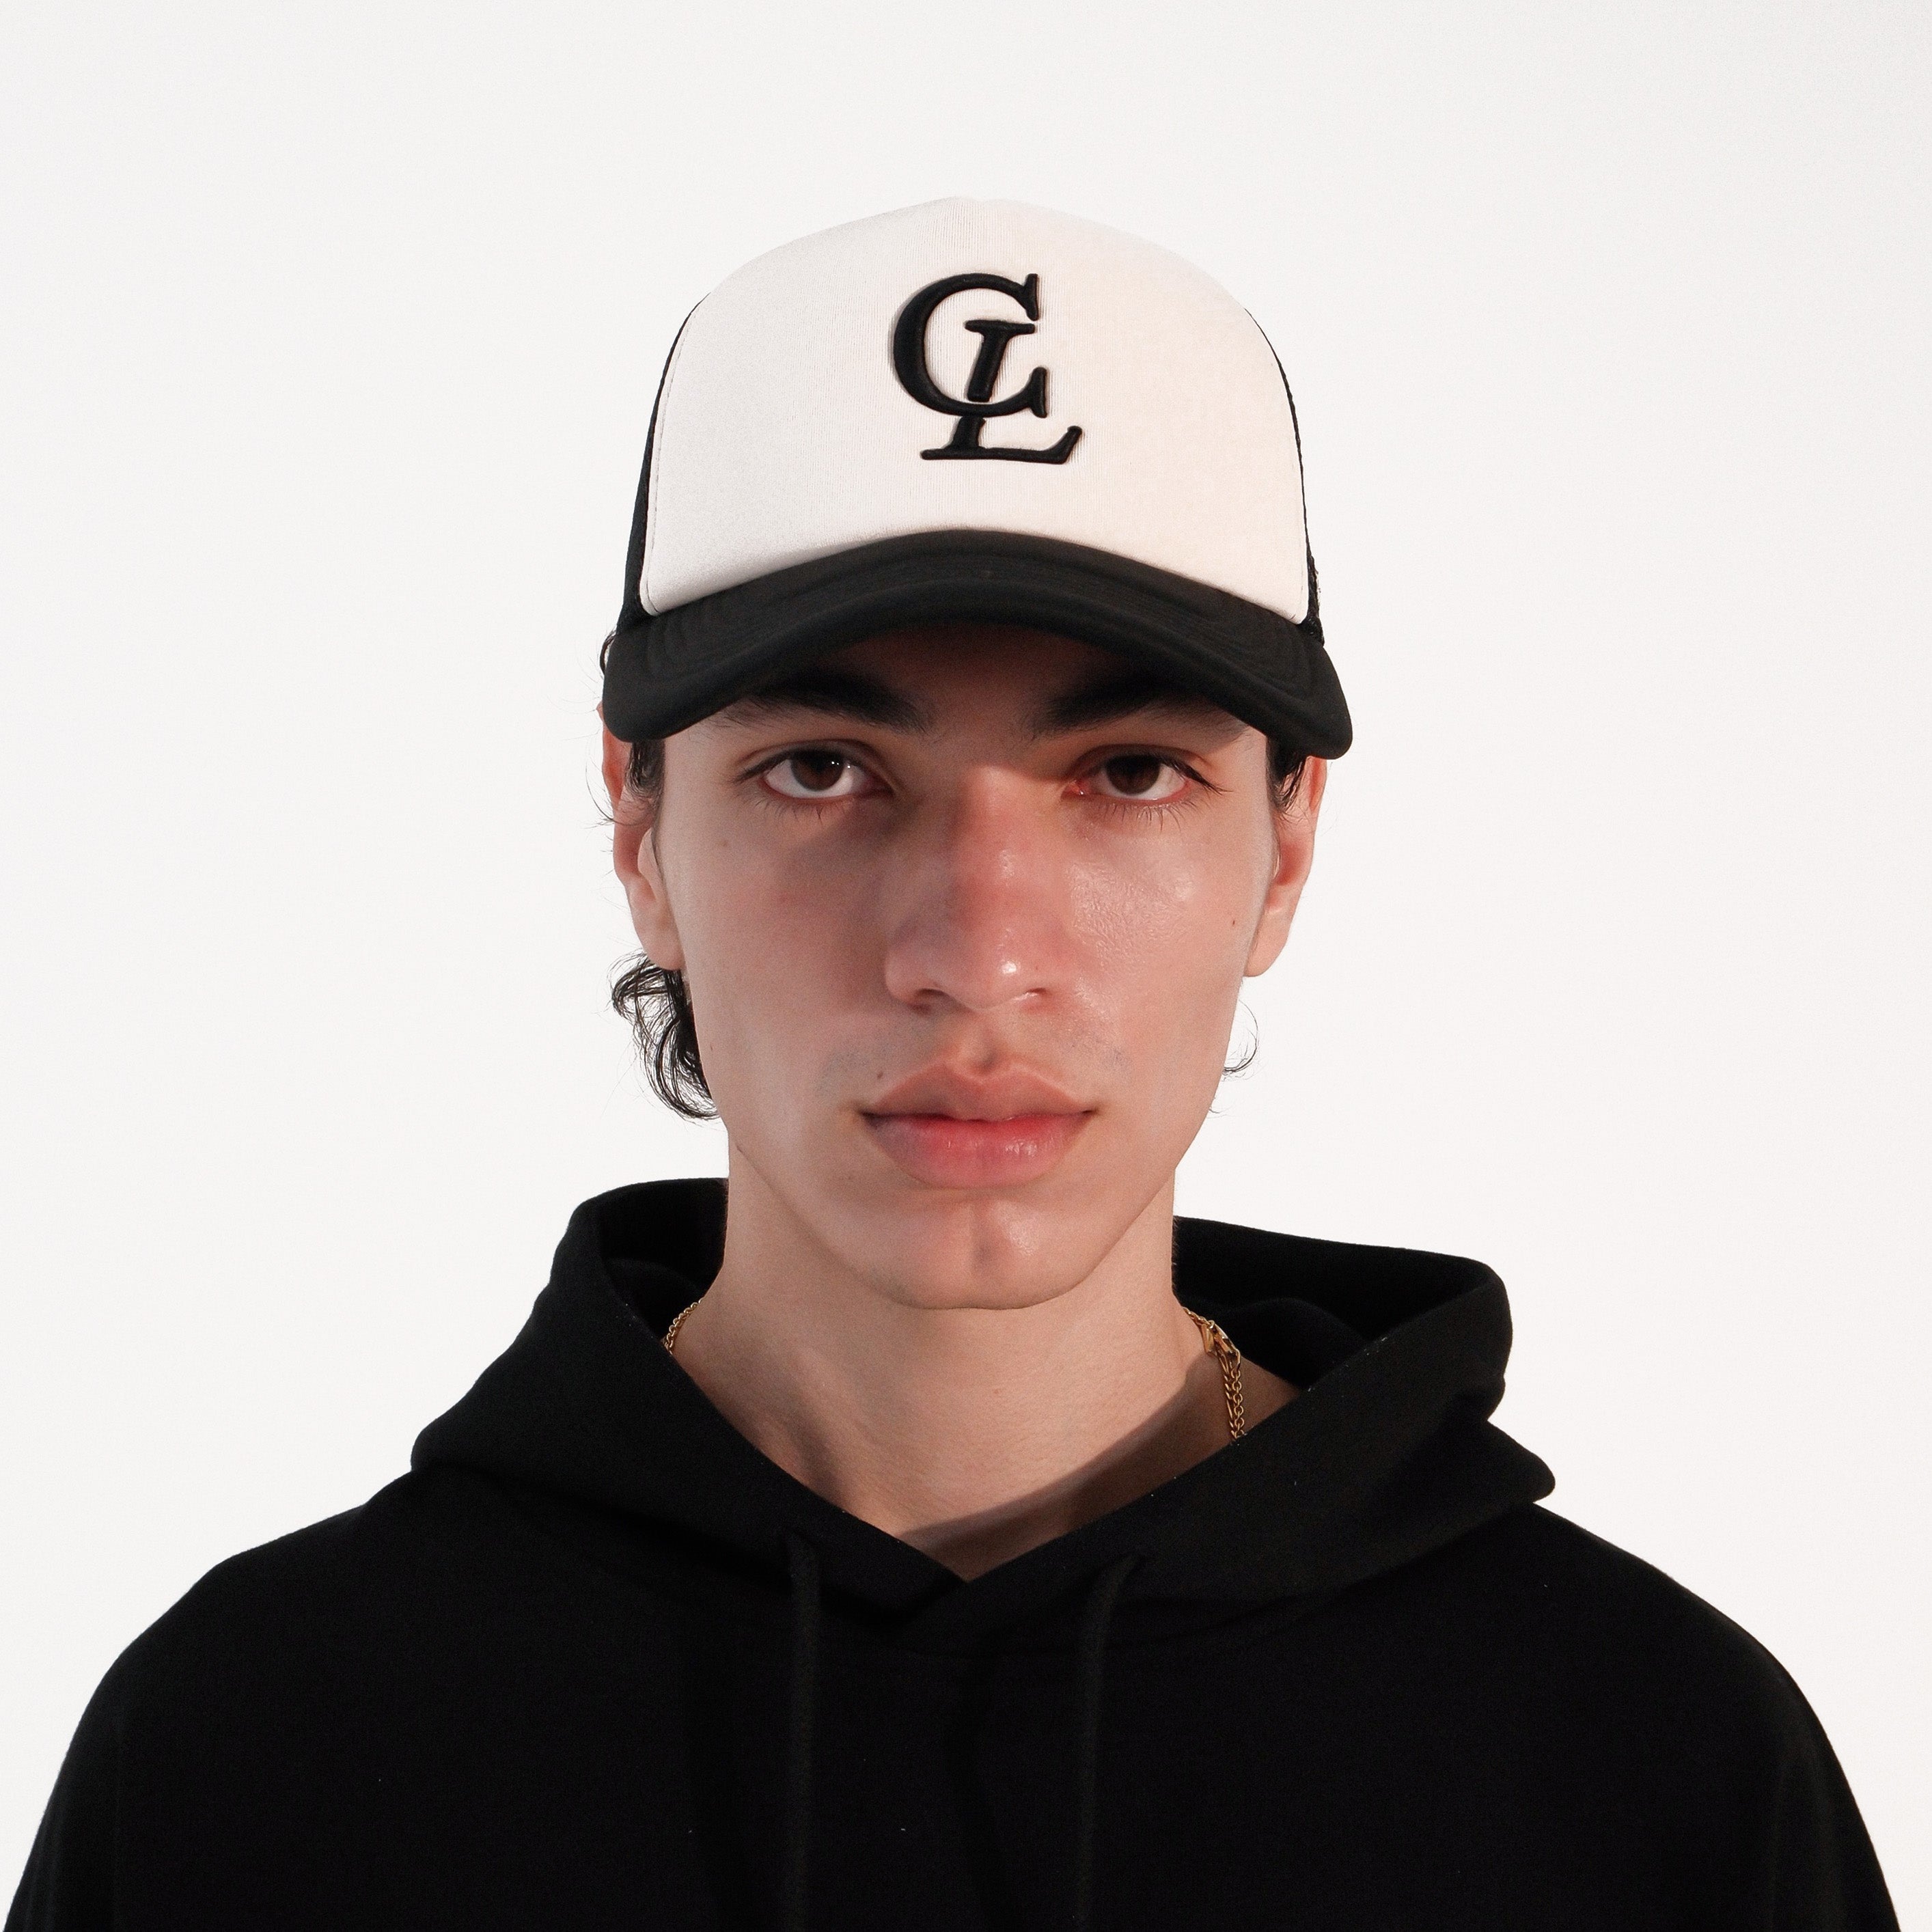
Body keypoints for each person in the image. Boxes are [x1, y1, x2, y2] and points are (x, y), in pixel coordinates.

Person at [7, 198, 1896, 1932]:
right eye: (823, 770)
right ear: (640, 830)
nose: (978, 953)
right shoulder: (260, 1749)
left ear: (1285, 845)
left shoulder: (1649, 1765)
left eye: (1127, 774)